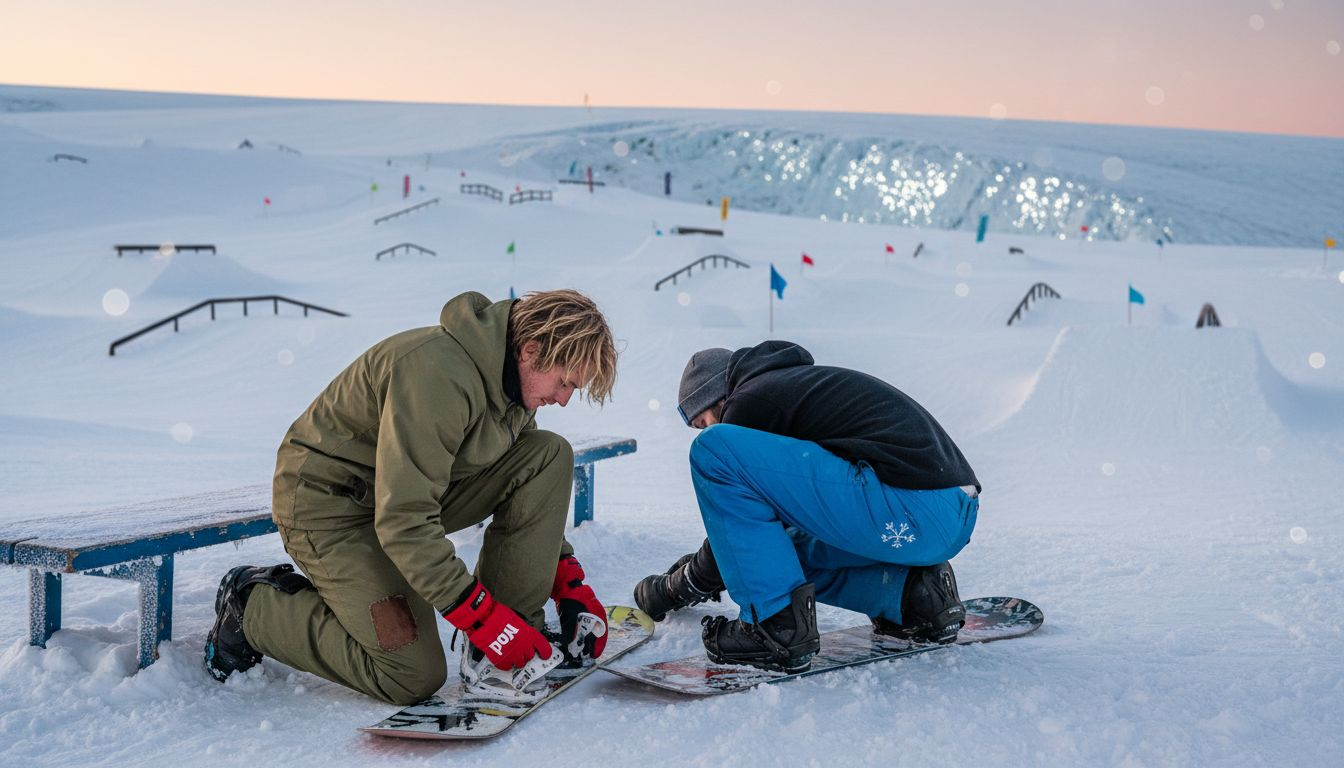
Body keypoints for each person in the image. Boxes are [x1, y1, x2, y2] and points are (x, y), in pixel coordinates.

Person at [205, 290, 617, 705]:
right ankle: (253, 608)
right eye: (564, 383)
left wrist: (567, 580)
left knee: (548, 454)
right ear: (531, 350)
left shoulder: (510, 385)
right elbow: (404, 523)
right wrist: (481, 616)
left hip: (404, 499)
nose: (563, 398)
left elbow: (525, 478)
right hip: (331, 509)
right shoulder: (438, 374)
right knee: (411, 674)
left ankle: (503, 648)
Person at [635, 341, 979, 673]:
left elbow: (737, 534)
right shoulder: (793, 389)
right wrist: (710, 567)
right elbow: (759, 544)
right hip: (946, 517)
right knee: (781, 556)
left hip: (904, 505)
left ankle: (773, 627)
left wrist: (675, 588)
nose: (706, 429)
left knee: (713, 452)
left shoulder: (751, 401)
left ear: (719, 397)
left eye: (703, 422)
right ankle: (914, 597)